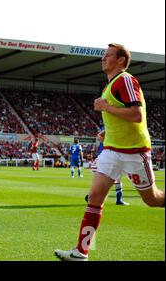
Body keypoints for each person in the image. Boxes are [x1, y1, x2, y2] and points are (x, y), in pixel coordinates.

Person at [55, 43, 165, 261]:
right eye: (103, 55)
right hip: (112, 151)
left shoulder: (125, 79)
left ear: (121, 60)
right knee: (95, 198)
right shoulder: (110, 84)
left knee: (152, 199)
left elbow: (136, 115)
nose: (103, 58)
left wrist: (105, 107)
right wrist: (107, 134)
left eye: (108, 55)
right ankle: (81, 252)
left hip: (134, 152)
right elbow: (121, 118)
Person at [85, 126, 129, 206]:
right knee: (115, 181)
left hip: (102, 157)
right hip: (108, 158)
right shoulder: (111, 127)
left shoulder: (106, 128)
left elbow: (100, 136)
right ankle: (118, 200)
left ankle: (92, 196)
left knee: (110, 181)